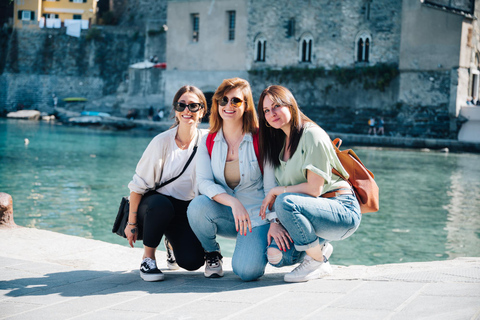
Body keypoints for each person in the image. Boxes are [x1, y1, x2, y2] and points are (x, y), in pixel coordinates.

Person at [257, 85, 361, 283]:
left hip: (341, 208)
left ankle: (317, 260)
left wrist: (278, 191)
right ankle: (319, 249)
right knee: (276, 257)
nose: (272, 113)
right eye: (266, 110)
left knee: (284, 201)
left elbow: (314, 189)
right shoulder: (280, 142)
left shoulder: (311, 134)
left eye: (277, 106)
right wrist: (275, 221)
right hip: (312, 212)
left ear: (291, 105)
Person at [187, 78, 270, 281]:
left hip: (255, 216)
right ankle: (212, 253)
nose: (228, 106)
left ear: (247, 105)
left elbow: (271, 186)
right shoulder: (208, 140)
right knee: (197, 207)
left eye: (236, 101)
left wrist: (274, 220)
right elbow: (204, 182)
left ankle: (313, 248)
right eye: (223, 100)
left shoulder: (262, 139)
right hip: (227, 212)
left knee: (247, 272)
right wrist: (232, 202)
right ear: (216, 104)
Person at [125, 85, 207, 282]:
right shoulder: (161, 142)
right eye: (182, 105)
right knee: (161, 205)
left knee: (193, 262)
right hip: (156, 204)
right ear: (176, 110)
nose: (187, 110)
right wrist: (131, 223)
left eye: (194, 106)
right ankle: (148, 258)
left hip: (187, 208)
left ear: (202, 111)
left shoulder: (208, 140)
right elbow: (137, 187)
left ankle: (170, 243)